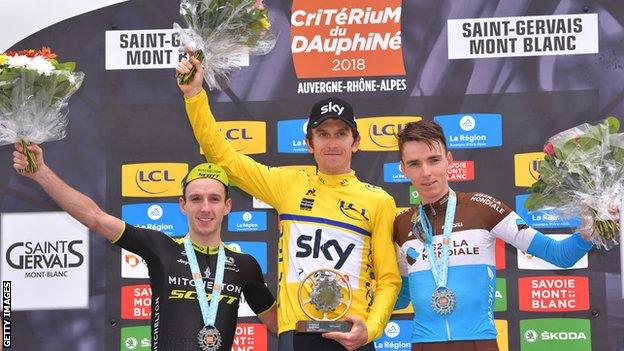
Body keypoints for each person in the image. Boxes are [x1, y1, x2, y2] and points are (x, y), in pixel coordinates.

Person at [176, 56, 401, 351]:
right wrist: (194, 96)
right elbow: (224, 159)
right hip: (296, 335)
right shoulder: (288, 184)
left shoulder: (378, 200)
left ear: (355, 142)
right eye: (322, 134)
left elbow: (388, 279)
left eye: (341, 134)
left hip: (351, 337)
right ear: (309, 143)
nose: (332, 143)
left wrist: (370, 329)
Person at [12, 143, 277, 351]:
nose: (205, 208)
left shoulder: (245, 265)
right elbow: (95, 218)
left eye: (214, 199)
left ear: (227, 206)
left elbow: (278, 323)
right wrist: (41, 173)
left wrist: (317, 323)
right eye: (196, 199)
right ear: (183, 205)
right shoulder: (161, 248)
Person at [393, 120, 617, 351]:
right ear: (403, 169)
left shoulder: (483, 208)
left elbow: (558, 255)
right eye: (414, 164)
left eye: (434, 160)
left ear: (449, 160)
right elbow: (400, 296)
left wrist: (590, 230)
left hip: (479, 343)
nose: (426, 172)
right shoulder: (401, 224)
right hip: (423, 344)